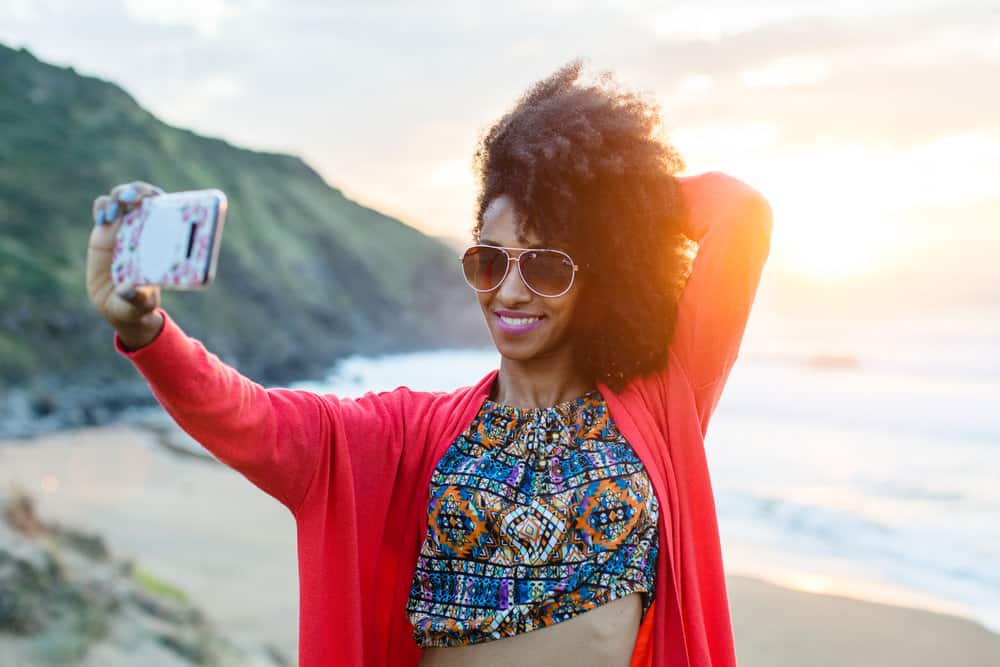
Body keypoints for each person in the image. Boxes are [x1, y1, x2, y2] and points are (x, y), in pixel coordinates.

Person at [85, 60, 772, 667]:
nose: (508, 288)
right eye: (488, 258)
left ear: (606, 273)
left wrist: (610, 202)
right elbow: (257, 421)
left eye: (544, 263)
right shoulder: (411, 432)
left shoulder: (661, 400)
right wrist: (148, 331)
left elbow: (740, 214)